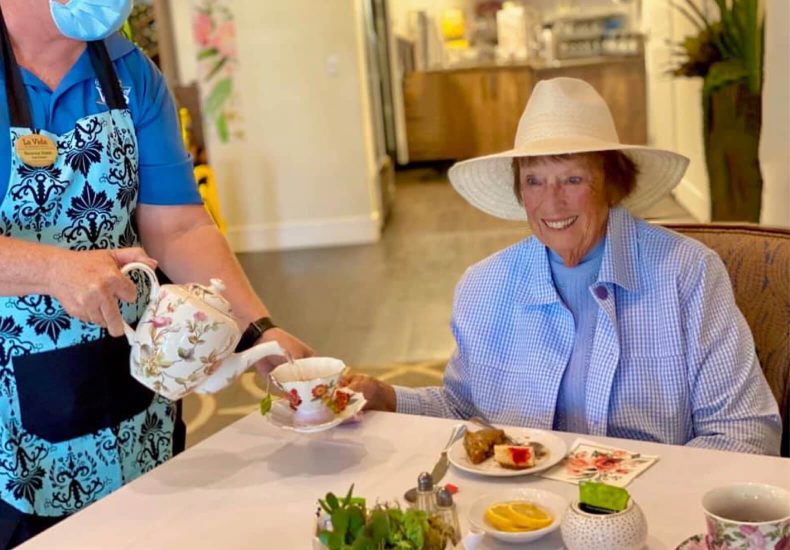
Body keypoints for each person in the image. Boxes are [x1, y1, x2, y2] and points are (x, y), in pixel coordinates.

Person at [0, 0, 313, 545]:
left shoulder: (128, 72)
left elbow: (180, 230)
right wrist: (53, 269)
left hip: (128, 389)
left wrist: (260, 334)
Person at [345, 77, 782, 456]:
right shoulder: (484, 285)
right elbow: (464, 411)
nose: (551, 202)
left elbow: (744, 431)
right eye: (534, 180)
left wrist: (630, 496)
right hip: (522, 514)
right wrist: (388, 396)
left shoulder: (688, 274)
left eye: (572, 179)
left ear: (612, 182)